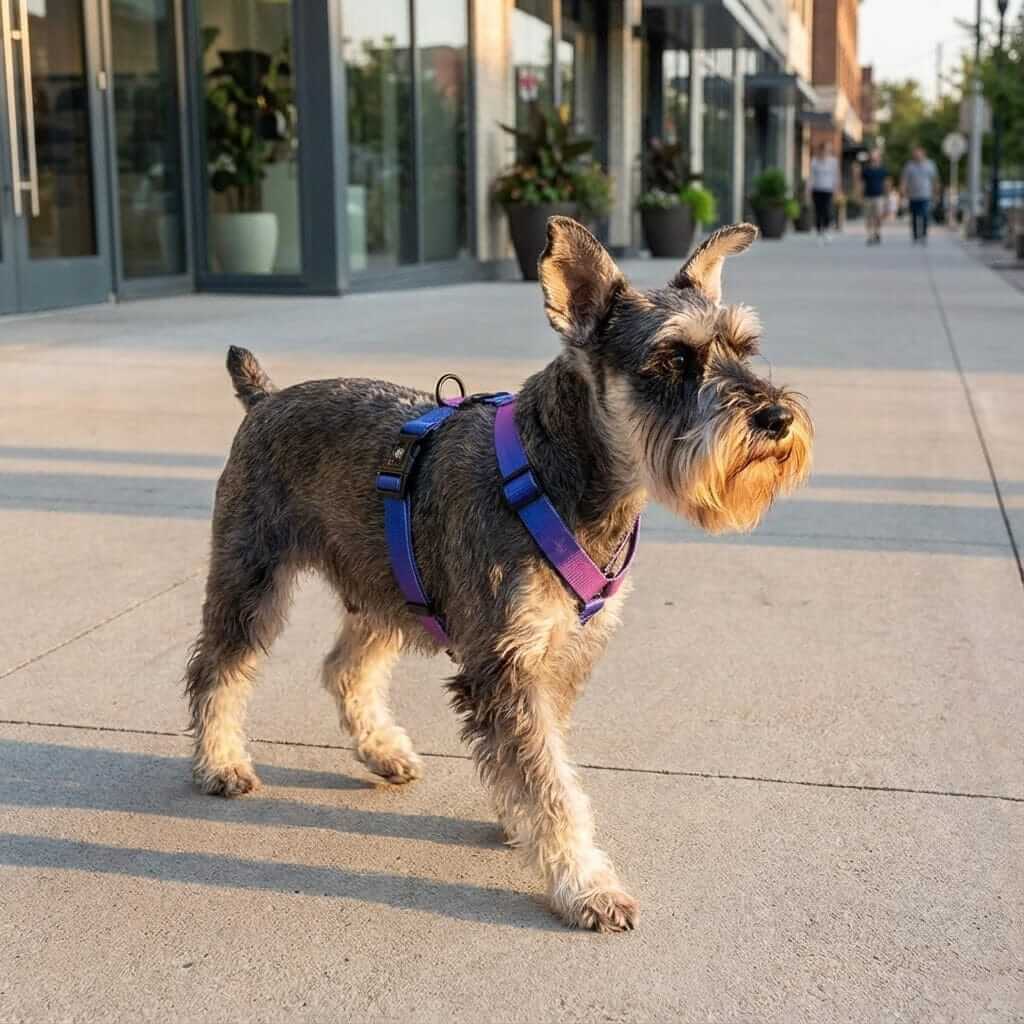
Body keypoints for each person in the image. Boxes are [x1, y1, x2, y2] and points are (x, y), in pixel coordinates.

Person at [900, 146, 940, 243]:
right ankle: (915, 236)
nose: (917, 155)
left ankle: (924, 235)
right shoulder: (909, 165)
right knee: (914, 216)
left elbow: (935, 180)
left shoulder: (930, 164)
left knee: (925, 215)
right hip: (913, 195)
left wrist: (936, 194)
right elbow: (904, 180)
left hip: (926, 195)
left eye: (919, 153)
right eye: (915, 153)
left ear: (923, 154)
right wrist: (903, 192)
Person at [808, 141, 839, 242]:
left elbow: (836, 176)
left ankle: (826, 230)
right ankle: (819, 232)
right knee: (818, 211)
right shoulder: (814, 161)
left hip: (828, 189)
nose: (826, 151)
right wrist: (808, 189)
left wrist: (837, 189)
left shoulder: (833, 162)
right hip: (817, 189)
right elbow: (811, 177)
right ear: (821, 150)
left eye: (828, 149)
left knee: (827, 210)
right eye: (825, 149)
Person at [860, 149, 889, 245]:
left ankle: (877, 232)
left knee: (878, 216)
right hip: (868, 196)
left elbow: (886, 183)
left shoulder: (882, 170)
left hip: (879, 196)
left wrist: (886, 196)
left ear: (879, 158)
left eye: (876, 156)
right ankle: (869, 235)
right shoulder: (866, 170)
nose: (874, 158)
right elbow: (862, 183)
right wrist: (860, 194)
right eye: (872, 156)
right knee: (868, 217)